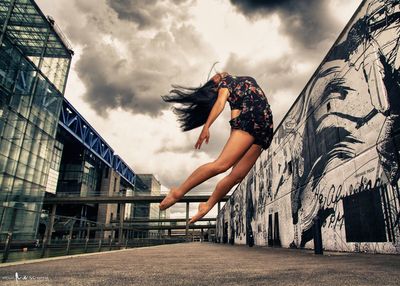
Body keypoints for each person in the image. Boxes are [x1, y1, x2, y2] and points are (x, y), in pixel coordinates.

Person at [159, 71, 273, 224]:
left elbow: (235, 121)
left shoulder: (238, 88)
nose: (218, 74)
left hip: (264, 127)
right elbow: (220, 104)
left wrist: (235, 149)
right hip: (252, 121)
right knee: (221, 165)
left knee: (237, 176)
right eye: (214, 79)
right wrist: (206, 127)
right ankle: (177, 193)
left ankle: (206, 205)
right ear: (214, 87)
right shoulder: (224, 84)